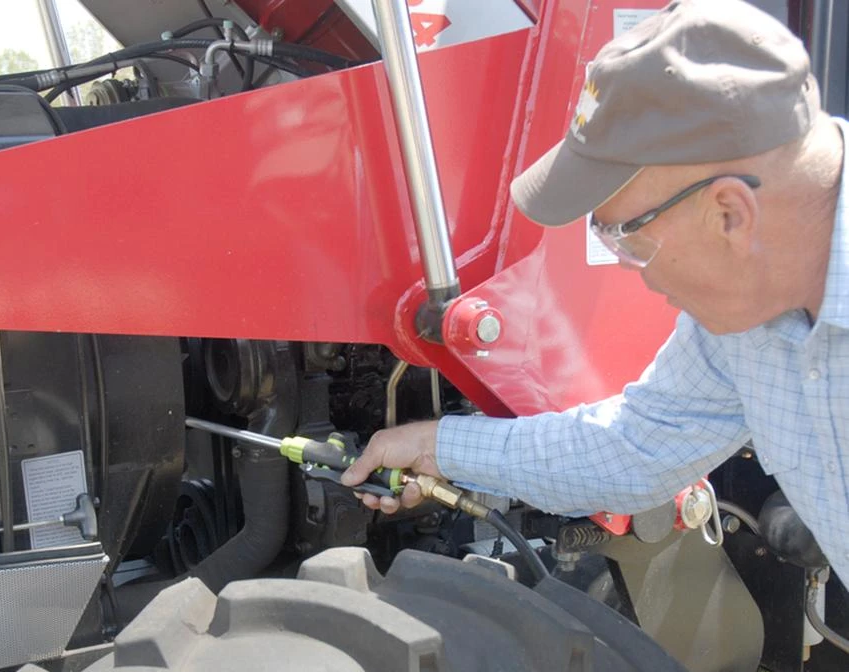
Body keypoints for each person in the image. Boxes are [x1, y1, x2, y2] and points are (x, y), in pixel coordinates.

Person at [342, 0, 849, 584]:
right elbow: (634, 448)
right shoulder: (742, 328)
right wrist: (435, 447)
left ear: (730, 214)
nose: (638, 274)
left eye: (628, 238)